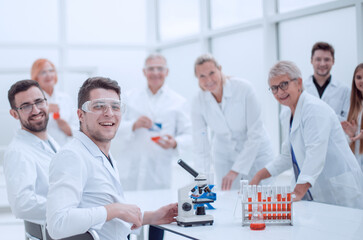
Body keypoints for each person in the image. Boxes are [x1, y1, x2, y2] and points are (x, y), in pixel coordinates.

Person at [46, 77, 178, 240]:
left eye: (115, 106)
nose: (109, 113)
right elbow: (58, 224)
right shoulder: (72, 157)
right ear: (81, 115)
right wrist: (114, 209)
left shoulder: (102, 154)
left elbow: (107, 222)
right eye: (99, 106)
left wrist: (151, 217)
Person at [250, 61, 363, 209]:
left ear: (299, 83)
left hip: (339, 191)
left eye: (284, 84)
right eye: (274, 88)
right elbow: (286, 156)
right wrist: (259, 176)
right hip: (318, 193)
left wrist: (297, 192)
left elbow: (315, 153)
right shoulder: (287, 114)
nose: (279, 92)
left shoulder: (313, 109)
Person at [191, 53, 273, 191]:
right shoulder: (198, 101)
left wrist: (236, 170)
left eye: (212, 73)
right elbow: (201, 144)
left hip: (256, 154)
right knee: (228, 200)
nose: (208, 80)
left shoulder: (244, 89)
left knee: (259, 201)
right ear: (197, 79)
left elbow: (255, 134)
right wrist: (201, 178)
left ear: (220, 69)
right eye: (202, 76)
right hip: (224, 155)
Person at [116, 53, 191, 191]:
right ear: (144, 72)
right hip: (132, 167)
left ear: (167, 72)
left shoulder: (178, 102)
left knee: (158, 207)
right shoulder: (129, 97)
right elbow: (114, 128)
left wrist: (175, 143)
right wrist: (133, 125)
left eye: (160, 68)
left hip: (159, 169)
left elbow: (189, 135)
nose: (155, 73)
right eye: (151, 69)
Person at [4, 80, 59, 225]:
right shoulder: (18, 152)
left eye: (39, 102)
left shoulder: (51, 142)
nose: (36, 110)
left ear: (47, 103)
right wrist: (70, 207)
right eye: (26, 106)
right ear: (14, 114)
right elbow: (22, 205)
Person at [31, 58, 78, 146]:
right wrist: (45, 110)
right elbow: (29, 128)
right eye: (43, 72)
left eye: (51, 71)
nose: (48, 75)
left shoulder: (66, 98)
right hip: (42, 149)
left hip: (66, 147)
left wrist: (66, 127)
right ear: (36, 77)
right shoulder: (32, 101)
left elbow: (78, 128)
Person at [304, 42, 350, 121]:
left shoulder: (344, 90)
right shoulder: (301, 89)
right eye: (318, 59)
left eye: (327, 59)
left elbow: (348, 120)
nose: (322, 64)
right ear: (311, 61)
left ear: (333, 61)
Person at [341, 63, 363, 172]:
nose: (362, 81)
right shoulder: (354, 106)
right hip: (356, 163)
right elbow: (347, 144)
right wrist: (351, 135)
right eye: (359, 77)